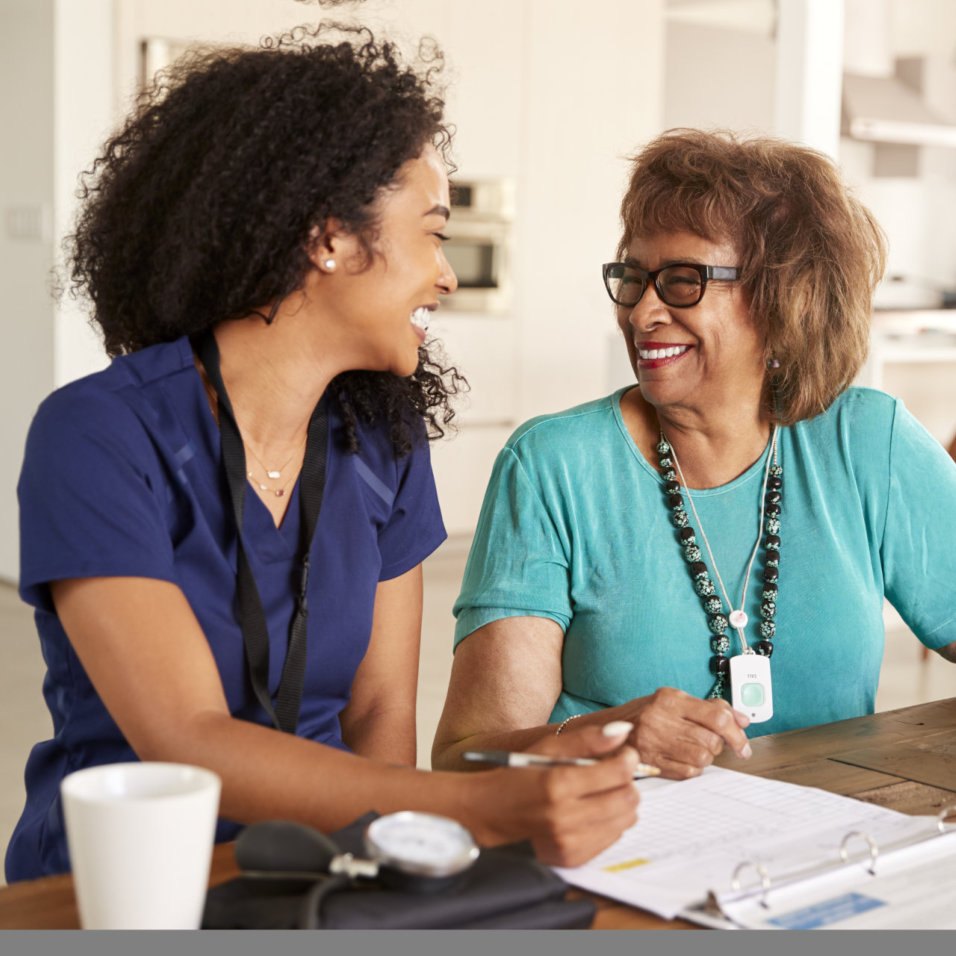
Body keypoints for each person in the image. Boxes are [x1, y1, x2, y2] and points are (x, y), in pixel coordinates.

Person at [5, 24, 640, 883]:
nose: (447, 274)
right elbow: (186, 736)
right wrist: (477, 811)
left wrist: (398, 870)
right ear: (330, 239)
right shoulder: (96, 435)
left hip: (324, 875)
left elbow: (380, 711)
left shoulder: (383, 438)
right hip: (121, 883)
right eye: (432, 232)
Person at [433, 128, 956, 781]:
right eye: (634, 277)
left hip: (836, 848)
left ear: (781, 298)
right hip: (623, 855)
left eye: (682, 281)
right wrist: (611, 734)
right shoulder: (552, 465)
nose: (642, 311)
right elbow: (470, 761)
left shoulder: (867, 441)